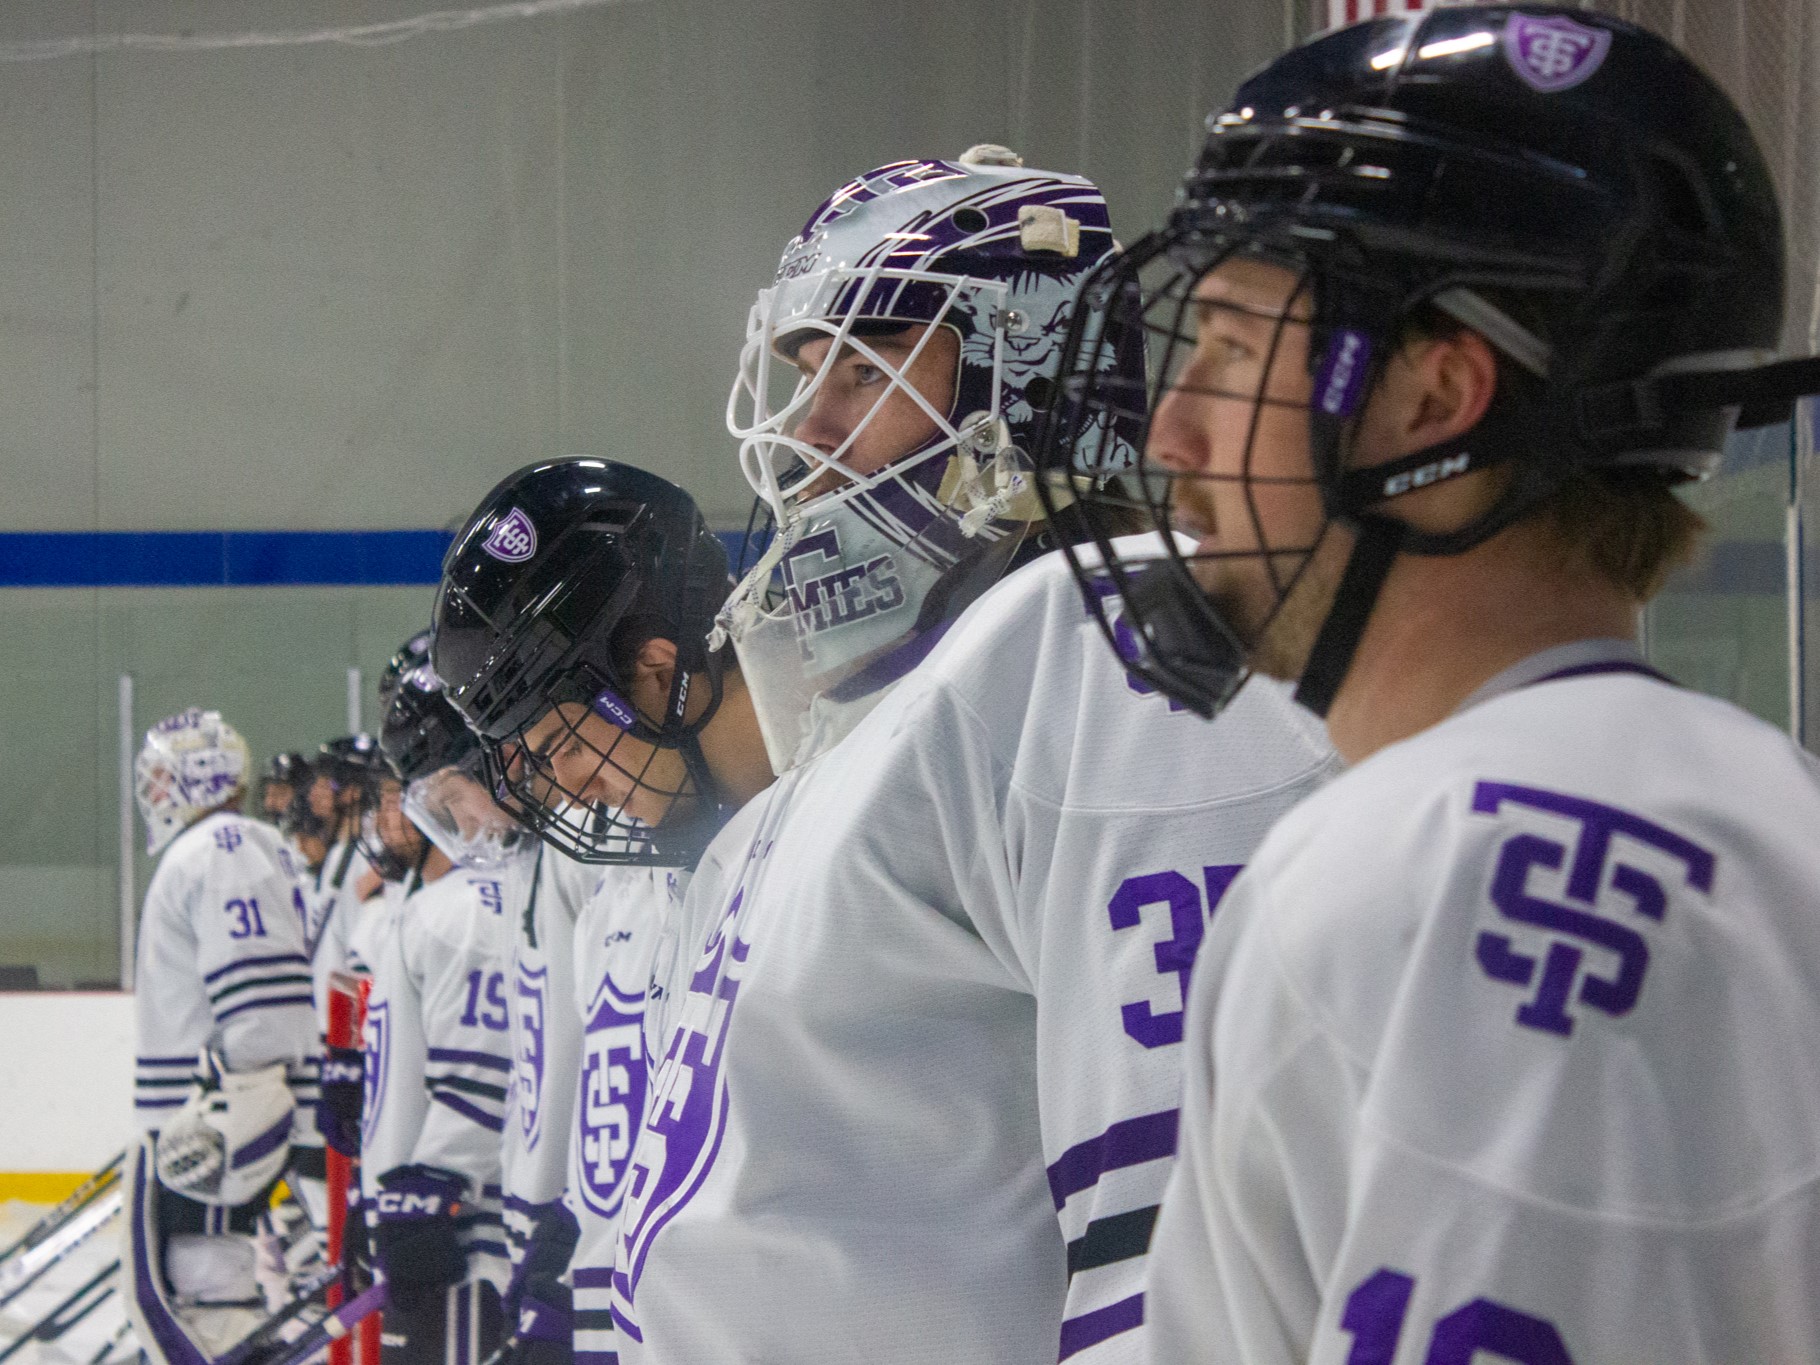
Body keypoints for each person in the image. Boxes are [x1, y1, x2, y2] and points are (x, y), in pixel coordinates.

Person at [1031, 7, 1820, 1361]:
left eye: (1225, 343)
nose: (1172, 428)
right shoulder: (1785, 813)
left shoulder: (1420, 876)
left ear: (1431, 397)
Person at [601, 149, 1334, 1363]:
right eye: (806, 374)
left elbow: (1179, 1255)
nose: (809, 428)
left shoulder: (1099, 652)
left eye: (868, 362)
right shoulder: (867, 725)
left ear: (1028, 361)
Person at [432, 457, 770, 1365]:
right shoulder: (658, 885)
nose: (565, 787)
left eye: (558, 741)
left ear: (656, 668)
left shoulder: (845, 823)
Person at [126, 708, 319, 1363]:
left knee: (204, 1309)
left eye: (161, 778)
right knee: (204, 1305)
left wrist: (237, 1120)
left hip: (209, 1127)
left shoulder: (220, 848)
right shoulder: (235, 845)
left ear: (197, 778)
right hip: (209, 1120)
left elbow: (265, 1010)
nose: (151, 794)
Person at [356, 668, 518, 1365]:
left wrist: (432, 1184)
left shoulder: (462, 912)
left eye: (405, 795)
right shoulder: (435, 909)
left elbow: (484, 1066)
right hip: (424, 1219)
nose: (389, 817)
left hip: (460, 1241)